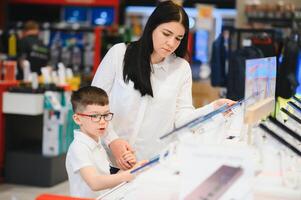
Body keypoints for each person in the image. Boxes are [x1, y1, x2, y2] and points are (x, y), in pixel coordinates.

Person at [92, 1, 235, 173]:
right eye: (166, 34)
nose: (171, 43)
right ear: (152, 27)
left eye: (178, 38)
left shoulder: (181, 68)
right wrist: (112, 141)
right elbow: (94, 105)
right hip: (108, 161)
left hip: (151, 164)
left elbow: (182, 117)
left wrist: (213, 108)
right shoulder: (119, 54)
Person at [66, 86, 144, 198]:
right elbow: (95, 183)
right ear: (78, 119)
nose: (103, 122)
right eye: (95, 116)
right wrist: (129, 174)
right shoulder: (79, 148)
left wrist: (128, 168)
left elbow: (107, 179)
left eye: (106, 115)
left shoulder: (97, 142)